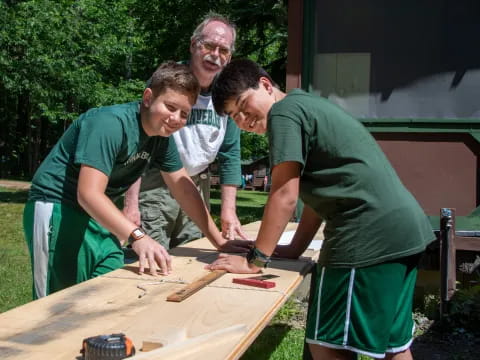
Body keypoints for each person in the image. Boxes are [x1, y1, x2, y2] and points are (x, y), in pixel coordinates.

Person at [206, 59, 436, 360]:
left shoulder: (284, 113)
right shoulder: (306, 106)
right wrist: (293, 248)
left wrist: (255, 261)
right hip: (403, 233)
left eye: (244, 105)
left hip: (366, 237)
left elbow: (285, 194)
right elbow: (316, 197)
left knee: (326, 345)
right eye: (234, 116)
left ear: (265, 84)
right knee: (394, 347)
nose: (243, 120)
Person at [23, 61, 249, 299]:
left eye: (185, 114)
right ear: (148, 97)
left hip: (97, 216)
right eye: (171, 107)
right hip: (58, 210)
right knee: (58, 305)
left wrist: (220, 242)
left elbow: (184, 188)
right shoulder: (110, 123)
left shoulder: (161, 139)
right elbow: (88, 193)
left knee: (110, 292)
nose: (176, 119)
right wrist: (138, 236)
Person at [123, 13, 247, 250]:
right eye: (209, 45)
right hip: (156, 183)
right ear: (193, 45)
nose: (215, 55)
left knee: (195, 257)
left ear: (229, 57)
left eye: (223, 50)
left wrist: (228, 211)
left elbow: (230, 153)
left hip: (197, 186)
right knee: (152, 258)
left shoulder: (227, 95)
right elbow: (139, 140)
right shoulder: (170, 81)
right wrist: (131, 204)